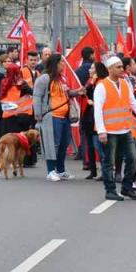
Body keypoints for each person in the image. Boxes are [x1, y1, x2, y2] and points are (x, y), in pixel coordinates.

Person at [94, 56, 136, 201]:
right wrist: (101, 131)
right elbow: (98, 109)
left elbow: (133, 103)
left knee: (132, 159)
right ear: (110, 69)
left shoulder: (125, 83)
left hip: (125, 129)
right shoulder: (102, 86)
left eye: (122, 66)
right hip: (109, 131)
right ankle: (110, 190)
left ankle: (126, 188)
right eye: (118, 67)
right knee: (109, 162)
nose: (122, 69)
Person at [34, 54, 85, 182]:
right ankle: (51, 171)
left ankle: (61, 170)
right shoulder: (44, 78)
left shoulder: (62, 78)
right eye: (61, 62)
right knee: (52, 145)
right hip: (52, 117)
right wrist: (38, 115)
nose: (63, 64)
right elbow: (37, 96)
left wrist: (77, 92)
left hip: (64, 117)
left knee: (63, 144)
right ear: (55, 64)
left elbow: (66, 93)